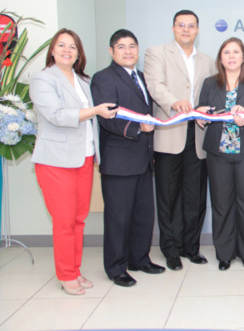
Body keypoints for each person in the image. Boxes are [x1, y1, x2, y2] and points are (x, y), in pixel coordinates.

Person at [29, 29, 118, 295]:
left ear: (79, 53)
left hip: (84, 158)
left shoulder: (83, 81)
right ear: (53, 50)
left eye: (73, 47)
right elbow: (57, 115)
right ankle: (66, 274)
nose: (67, 50)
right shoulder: (42, 79)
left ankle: (75, 270)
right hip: (56, 161)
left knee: (79, 219)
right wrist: (95, 110)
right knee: (64, 219)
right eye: (62, 45)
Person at [91, 29, 165, 287]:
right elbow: (106, 116)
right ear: (111, 51)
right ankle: (116, 267)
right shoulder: (103, 78)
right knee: (118, 218)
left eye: (132, 46)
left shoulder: (142, 77)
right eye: (121, 47)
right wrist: (136, 129)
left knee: (143, 214)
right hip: (119, 159)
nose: (128, 51)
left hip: (143, 158)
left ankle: (139, 259)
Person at [144, 10, 216, 271]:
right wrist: (174, 102)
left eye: (191, 26)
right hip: (169, 135)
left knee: (195, 197)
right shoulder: (157, 53)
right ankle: (171, 249)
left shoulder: (208, 60)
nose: (186, 29)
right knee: (168, 197)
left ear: (198, 30)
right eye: (181, 25)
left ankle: (191, 247)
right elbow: (154, 85)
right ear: (173, 28)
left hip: (197, 137)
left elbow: (211, 93)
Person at [196, 37, 244, 271]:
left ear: (243, 57)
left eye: (236, 52)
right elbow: (202, 113)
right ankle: (224, 253)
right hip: (219, 152)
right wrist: (201, 113)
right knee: (221, 204)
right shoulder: (209, 83)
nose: (232, 56)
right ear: (220, 58)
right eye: (227, 52)